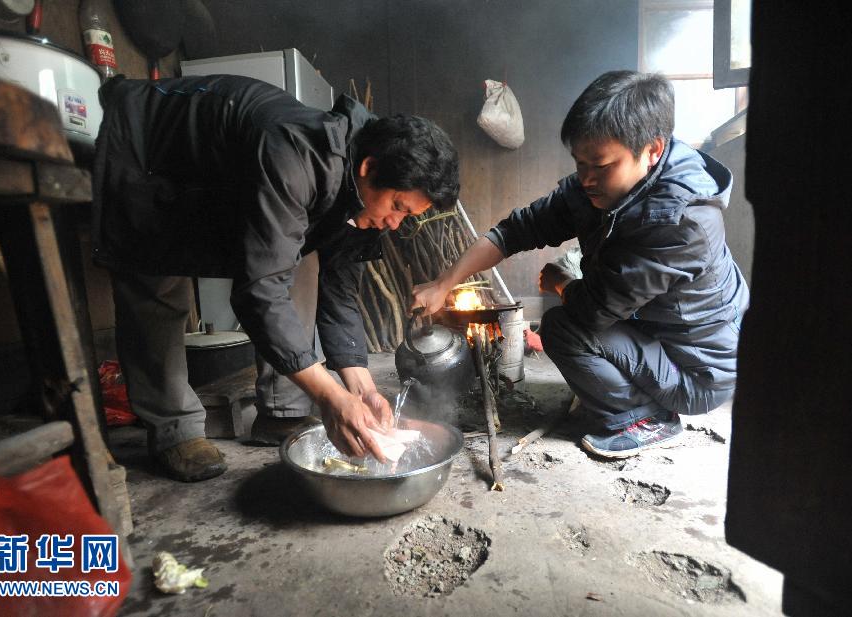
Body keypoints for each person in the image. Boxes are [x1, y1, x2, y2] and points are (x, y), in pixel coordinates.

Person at [92, 74, 460, 481]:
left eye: (407, 216)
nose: (394, 223)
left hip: (222, 186)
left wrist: (361, 386)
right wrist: (327, 394)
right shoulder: (296, 154)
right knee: (157, 284)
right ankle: (174, 429)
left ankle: (281, 413)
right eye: (397, 206)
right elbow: (259, 292)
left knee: (300, 267)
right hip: (153, 152)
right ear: (369, 168)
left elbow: (339, 292)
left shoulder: (359, 184)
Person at [411, 71, 748, 459]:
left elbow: (594, 311)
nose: (586, 178)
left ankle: (646, 419)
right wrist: (443, 283)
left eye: (600, 165)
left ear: (653, 150)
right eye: (579, 162)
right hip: (660, 335)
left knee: (564, 327)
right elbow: (516, 230)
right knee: (570, 320)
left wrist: (560, 282)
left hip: (699, 370)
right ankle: (631, 392)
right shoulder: (601, 187)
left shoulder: (680, 222)